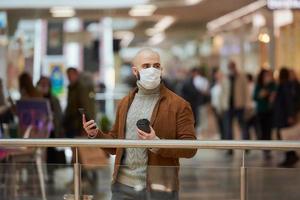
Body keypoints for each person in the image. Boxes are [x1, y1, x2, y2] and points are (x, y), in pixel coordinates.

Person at [83, 48, 197, 200]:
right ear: (135, 71)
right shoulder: (125, 103)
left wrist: (156, 143)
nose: (152, 70)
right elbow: (115, 145)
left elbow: (190, 148)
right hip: (122, 187)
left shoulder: (179, 105)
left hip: (160, 188)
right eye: (146, 66)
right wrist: (96, 134)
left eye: (156, 66)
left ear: (162, 70)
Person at [274, 68, 299, 167]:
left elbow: (288, 101)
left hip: (284, 116)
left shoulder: (284, 85)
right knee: (283, 136)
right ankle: (290, 156)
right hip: (283, 115)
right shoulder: (284, 85)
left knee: (284, 136)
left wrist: (290, 115)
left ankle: (291, 156)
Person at [223, 61, 248, 154]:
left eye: (232, 67)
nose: (231, 69)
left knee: (243, 127)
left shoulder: (241, 77)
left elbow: (246, 91)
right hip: (228, 106)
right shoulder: (226, 78)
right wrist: (222, 105)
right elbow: (223, 92)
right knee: (228, 128)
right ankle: (230, 148)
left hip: (239, 106)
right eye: (229, 67)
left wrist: (247, 104)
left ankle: (246, 147)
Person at [63, 68, 95, 138]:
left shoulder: (81, 88)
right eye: (68, 75)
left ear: (76, 75)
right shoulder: (71, 88)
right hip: (72, 123)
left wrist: (86, 125)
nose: (69, 77)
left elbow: (85, 107)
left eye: (71, 75)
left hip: (78, 125)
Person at [253, 69, 276, 159]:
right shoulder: (259, 85)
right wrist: (262, 93)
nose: (267, 77)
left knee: (268, 131)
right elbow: (255, 97)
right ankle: (264, 149)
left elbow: (274, 95)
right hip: (261, 111)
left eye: (268, 75)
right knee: (262, 131)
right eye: (265, 75)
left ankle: (268, 150)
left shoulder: (273, 85)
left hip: (270, 111)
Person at [210, 68, 229, 140]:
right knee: (219, 125)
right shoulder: (214, 83)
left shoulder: (224, 83)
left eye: (218, 74)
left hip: (223, 107)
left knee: (225, 125)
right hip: (215, 107)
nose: (217, 75)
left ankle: (225, 140)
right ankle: (222, 139)